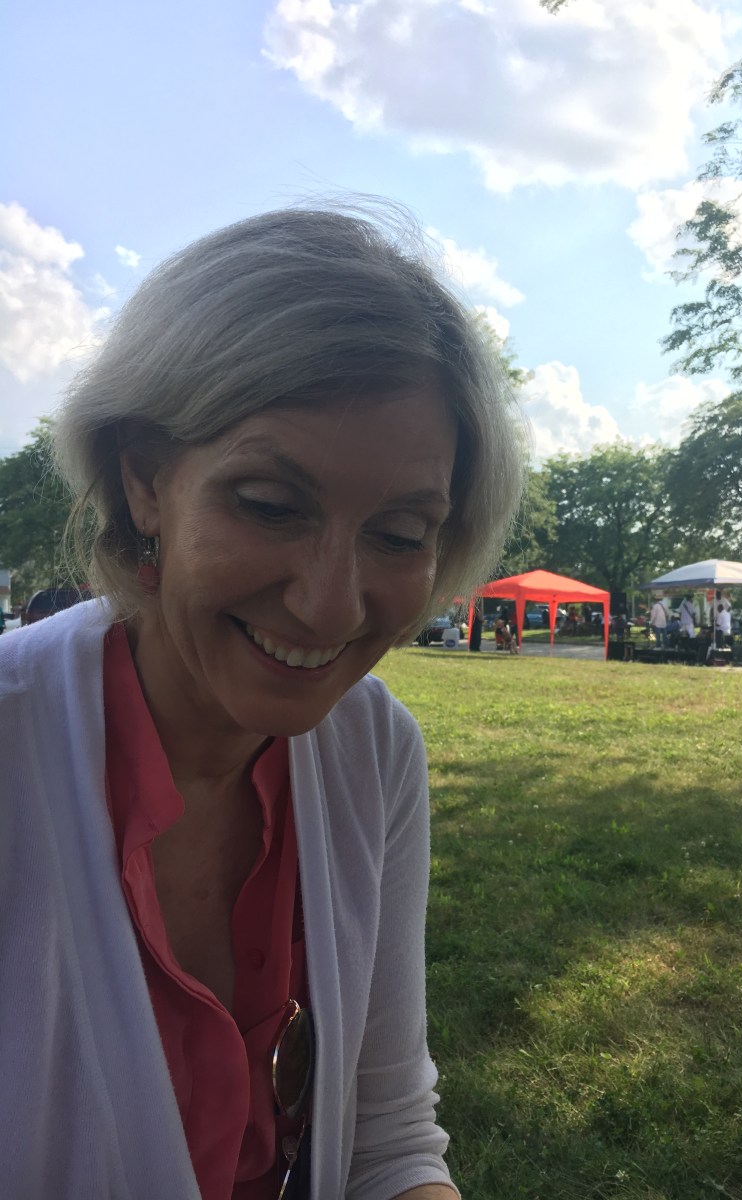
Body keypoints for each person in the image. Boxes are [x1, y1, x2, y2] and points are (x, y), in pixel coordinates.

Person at [0, 207, 526, 1200]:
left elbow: (385, 1137)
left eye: (400, 533)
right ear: (145, 479)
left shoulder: (374, 750)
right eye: (271, 505)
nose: (332, 607)